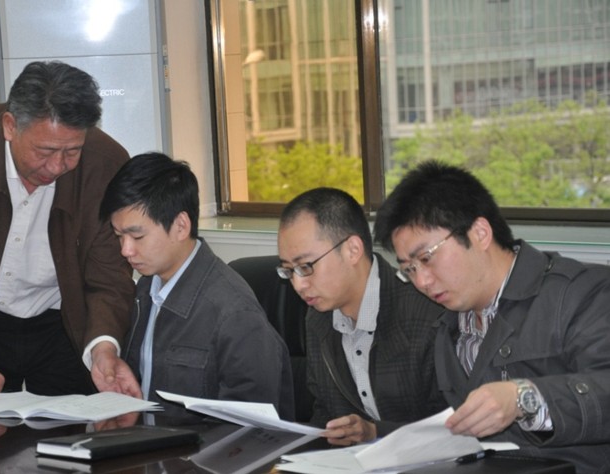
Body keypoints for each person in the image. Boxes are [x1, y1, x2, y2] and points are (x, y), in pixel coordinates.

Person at [0, 61, 135, 398]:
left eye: (72, 151)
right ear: (10, 126)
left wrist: (104, 348)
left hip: (64, 323)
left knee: (73, 428)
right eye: (45, 151)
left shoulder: (106, 163)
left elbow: (109, 275)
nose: (57, 166)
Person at [373, 161, 610, 473]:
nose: (422, 281)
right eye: (409, 270)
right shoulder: (448, 327)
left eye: (426, 258)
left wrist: (524, 398)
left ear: (480, 233)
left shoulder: (583, 292)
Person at [98, 151, 295, 422]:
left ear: (181, 226)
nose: (126, 250)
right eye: (119, 236)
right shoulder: (145, 290)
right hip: (142, 444)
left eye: (137, 236)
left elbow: (248, 429)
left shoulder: (235, 314)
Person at [276, 187, 446, 446]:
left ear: (352, 250)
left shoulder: (426, 314)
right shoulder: (318, 319)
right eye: (289, 271)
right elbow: (324, 412)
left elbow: (453, 426)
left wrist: (376, 432)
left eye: (306, 266)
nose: (298, 285)